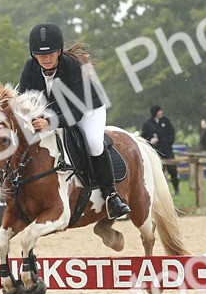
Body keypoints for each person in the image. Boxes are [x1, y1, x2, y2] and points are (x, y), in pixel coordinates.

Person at [18, 22, 130, 220]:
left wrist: (49, 124)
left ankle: (112, 195)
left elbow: (77, 113)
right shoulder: (30, 68)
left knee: (94, 143)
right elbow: (23, 99)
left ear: (59, 51)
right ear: (33, 54)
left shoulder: (73, 67)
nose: (46, 58)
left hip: (87, 110)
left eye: (51, 53)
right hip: (54, 112)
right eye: (41, 54)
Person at [141, 105, 179, 195]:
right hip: (155, 152)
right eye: (159, 111)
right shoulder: (148, 124)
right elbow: (143, 138)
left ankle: (176, 189)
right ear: (155, 112)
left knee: (173, 170)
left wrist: (164, 141)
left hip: (167, 151)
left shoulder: (165, 121)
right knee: (158, 173)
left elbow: (171, 135)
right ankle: (160, 192)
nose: (161, 112)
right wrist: (150, 141)